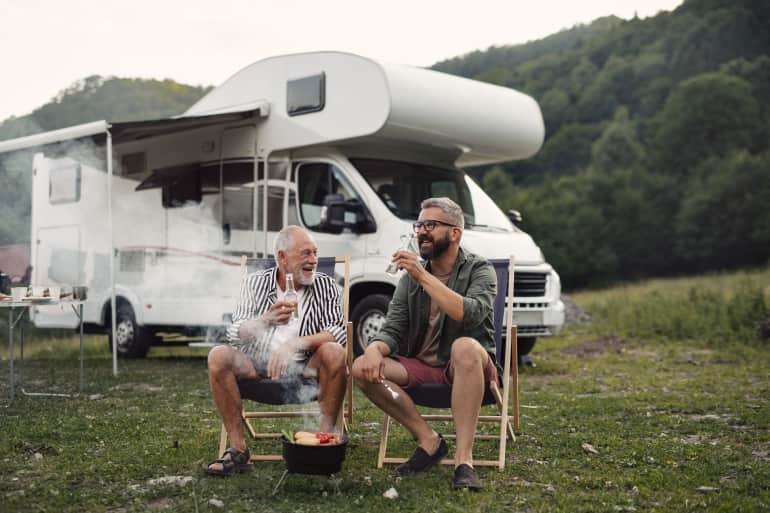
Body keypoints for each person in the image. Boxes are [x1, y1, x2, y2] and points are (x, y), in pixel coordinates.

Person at [352, 197, 498, 491]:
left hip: (466, 368)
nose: (421, 231)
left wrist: (421, 275)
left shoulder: (479, 270)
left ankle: (464, 462)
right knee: (360, 367)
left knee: (465, 347)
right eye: (419, 225)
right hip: (422, 367)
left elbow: (468, 314)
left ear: (455, 232)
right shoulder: (409, 280)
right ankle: (429, 440)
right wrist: (372, 350)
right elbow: (392, 328)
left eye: (430, 225)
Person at [206, 225, 347, 476]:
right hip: (256, 366)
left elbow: (338, 331)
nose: (314, 260)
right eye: (306, 253)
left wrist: (296, 343)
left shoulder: (326, 286)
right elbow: (235, 331)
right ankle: (238, 450)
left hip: (306, 370)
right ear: (282, 257)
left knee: (335, 351)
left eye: (315, 253)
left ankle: (324, 442)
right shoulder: (255, 283)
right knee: (218, 355)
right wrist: (266, 320)